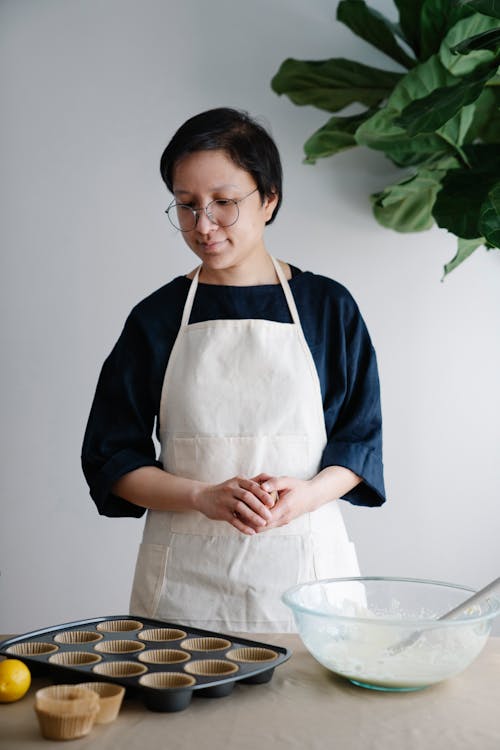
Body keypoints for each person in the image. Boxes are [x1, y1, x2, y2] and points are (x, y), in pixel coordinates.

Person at [82, 107, 386, 633]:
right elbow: (112, 458)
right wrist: (201, 496)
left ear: (268, 199)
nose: (203, 226)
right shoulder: (156, 318)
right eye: (186, 205)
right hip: (184, 588)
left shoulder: (327, 308)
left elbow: (359, 442)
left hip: (306, 580)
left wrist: (305, 497)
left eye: (223, 203)